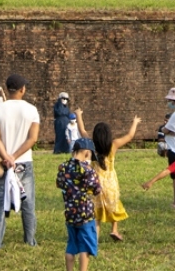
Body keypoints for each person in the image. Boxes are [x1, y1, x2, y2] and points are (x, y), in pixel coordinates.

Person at [0, 73, 41, 250]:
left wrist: (6, 157)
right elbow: (32, 138)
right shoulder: (31, 110)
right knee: (28, 203)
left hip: (2, 163)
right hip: (24, 161)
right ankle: (30, 240)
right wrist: (15, 156)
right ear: (22, 89)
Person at [75, 111, 140, 241]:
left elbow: (82, 129)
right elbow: (130, 136)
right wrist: (135, 122)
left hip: (95, 184)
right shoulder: (113, 145)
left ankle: (95, 238)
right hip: (110, 184)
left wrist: (79, 115)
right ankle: (114, 230)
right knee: (114, 206)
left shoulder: (90, 144)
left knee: (96, 213)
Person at [56, 136, 102, 271]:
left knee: (71, 244)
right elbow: (97, 189)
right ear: (87, 152)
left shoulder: (63, 167)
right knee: (84, 246)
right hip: (85, 213)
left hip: (70, 212)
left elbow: (59, 183)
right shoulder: (88, 170)